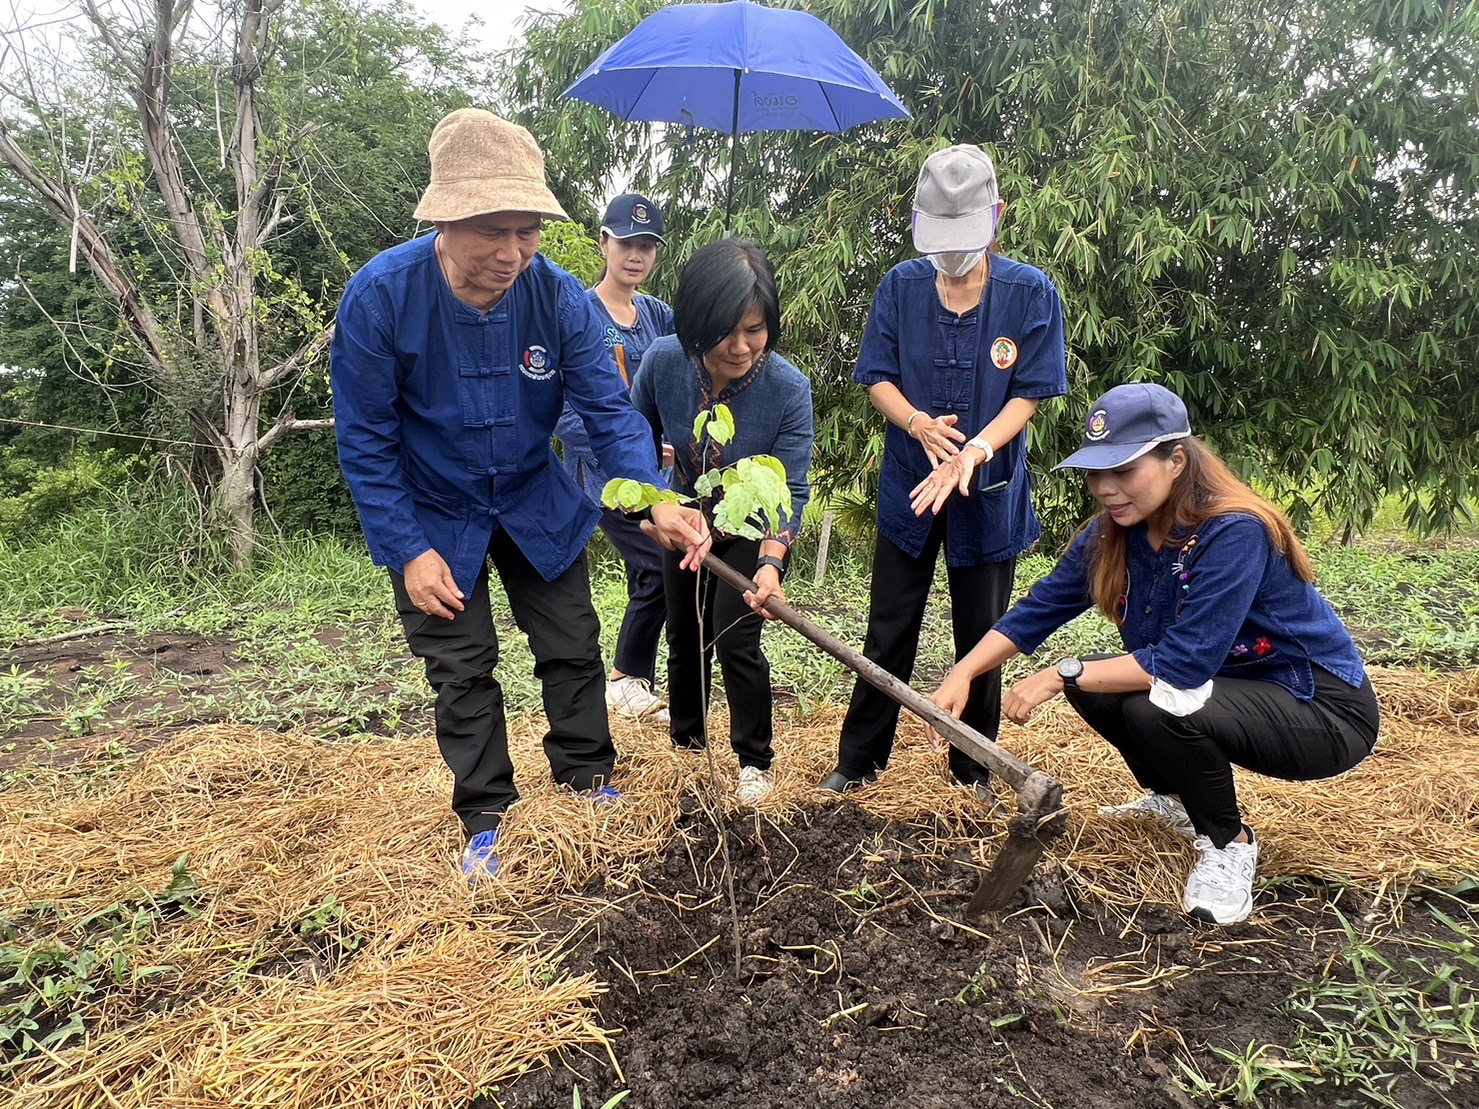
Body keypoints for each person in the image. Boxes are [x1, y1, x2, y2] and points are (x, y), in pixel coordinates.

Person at [330, 109, 709, 880]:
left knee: (571, 643)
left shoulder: (556, 297)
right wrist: (407, 550)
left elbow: (607, 410)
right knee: (462, 666)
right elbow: (366, 441)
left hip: (535, 499)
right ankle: (487, 816)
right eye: (492, 232)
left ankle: (587, 780)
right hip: (434, 513)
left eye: (527, 231)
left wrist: (652, 497)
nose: (511, 253)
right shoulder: (380, 298)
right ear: (444, 219)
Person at [930, 383, 1381, 924]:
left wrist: (1057, 674)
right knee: (1102, 688)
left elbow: (1182, 666)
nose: (1105, 488)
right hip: (1226, 694)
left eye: (1124, 470)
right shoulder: (1112, 535)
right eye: (1096, 473)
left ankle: (1229, 843)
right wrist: (964, 672)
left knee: (1150, 702)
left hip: (1318, 710)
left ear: (1177, 461)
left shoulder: (1232, 532)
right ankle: (1174, 799)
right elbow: (1039, 609)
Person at [818, 144, 1068, 798]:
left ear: (996, 216)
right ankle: (859, 760)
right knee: (888, 627)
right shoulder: (900, 287)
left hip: (987, 490)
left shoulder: (1030, 293)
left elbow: (1029, 393)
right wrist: (917, 424)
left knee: (980, 636)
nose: (952, 255)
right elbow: (877, 376)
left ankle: (971, 768)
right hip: (911, 483)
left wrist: (974, 450)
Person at [629, 239, 814, 806]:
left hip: (749, 528)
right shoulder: (664, 362)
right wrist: (651, 509)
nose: (740, 348)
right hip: (684, 518)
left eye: (755, 331)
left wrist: (770, 565)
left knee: (735, 635)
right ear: (695, 325)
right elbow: (632, 440)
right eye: (724, 332)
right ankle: (687, 747)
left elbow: (791, 490)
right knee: (684, 634)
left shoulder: (788, 388)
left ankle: (754, 761)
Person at [553, 194, 676, 723]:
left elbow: (679, 382)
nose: (636, 255)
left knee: (646, 572)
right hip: (603, 478)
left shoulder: (660, 316)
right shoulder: (578, 313)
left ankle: (637, 683)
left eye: (647, 246)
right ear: (604, 242)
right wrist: (626, 450)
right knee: (661, 563)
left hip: (659, 475)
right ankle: (626, 678)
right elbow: (561, 409)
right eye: (626, 243)